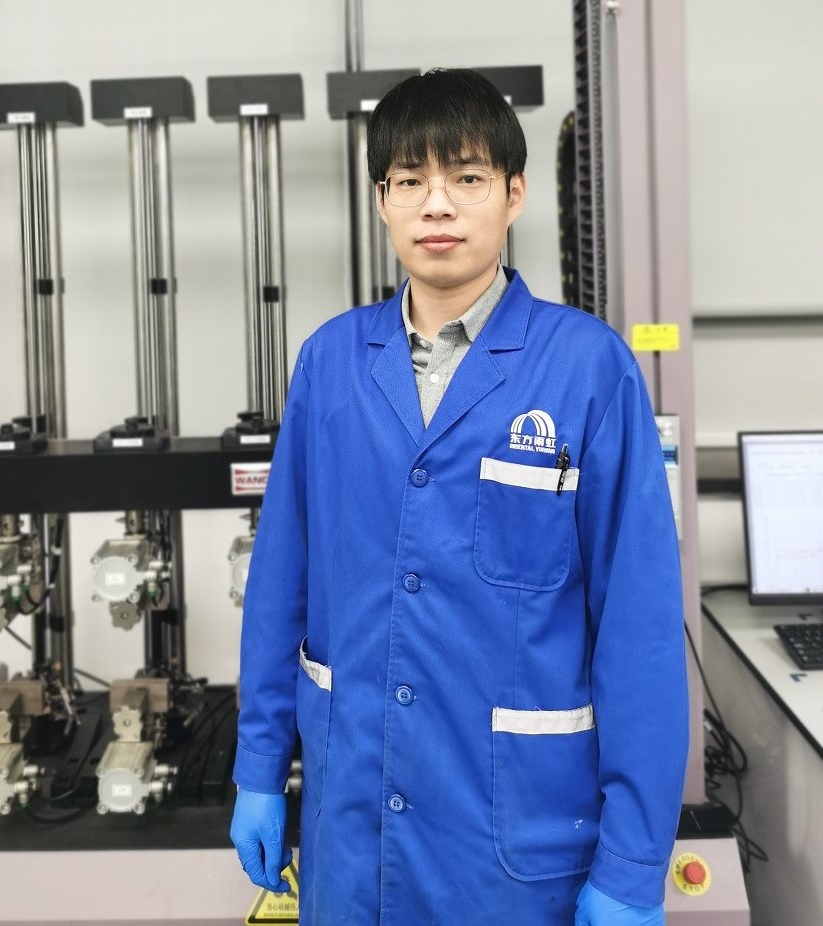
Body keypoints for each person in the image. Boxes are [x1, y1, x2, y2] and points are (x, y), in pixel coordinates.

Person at [230, 68, 688, 926]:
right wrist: (259, 766)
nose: (436, 205)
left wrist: (632, 865)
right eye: (410, 181)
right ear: (382, 201)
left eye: (467, 177)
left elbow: (641, 630)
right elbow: (280, 583)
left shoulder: (589, 370)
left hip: (512, 843)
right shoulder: (330, 363)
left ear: (514, 194)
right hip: (351, 830)